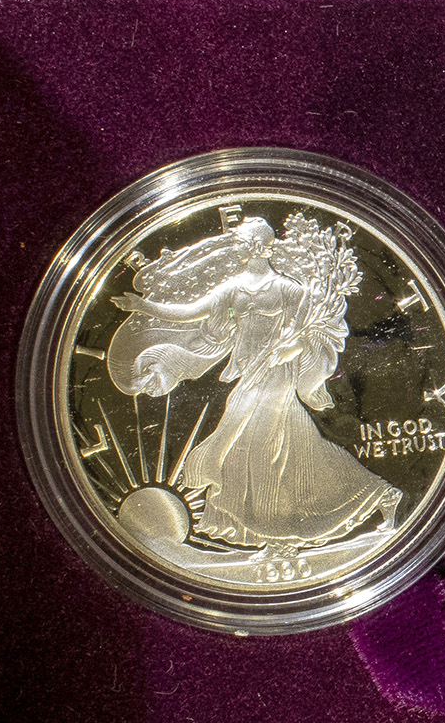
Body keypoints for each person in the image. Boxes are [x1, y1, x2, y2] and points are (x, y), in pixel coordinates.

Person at [107, 214, 401, 553]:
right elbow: (190, 312)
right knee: (288, 448)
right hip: (250, 374)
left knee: (254, 442)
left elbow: (315, 326)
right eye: (242, 243)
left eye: (249, 243)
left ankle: (284, 528)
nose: (244, 248)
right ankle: (368, 499)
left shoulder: (287, 289)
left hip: (277, 373)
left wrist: (294, 347)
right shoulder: (232, 290)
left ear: (264, 247)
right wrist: (142, 305)